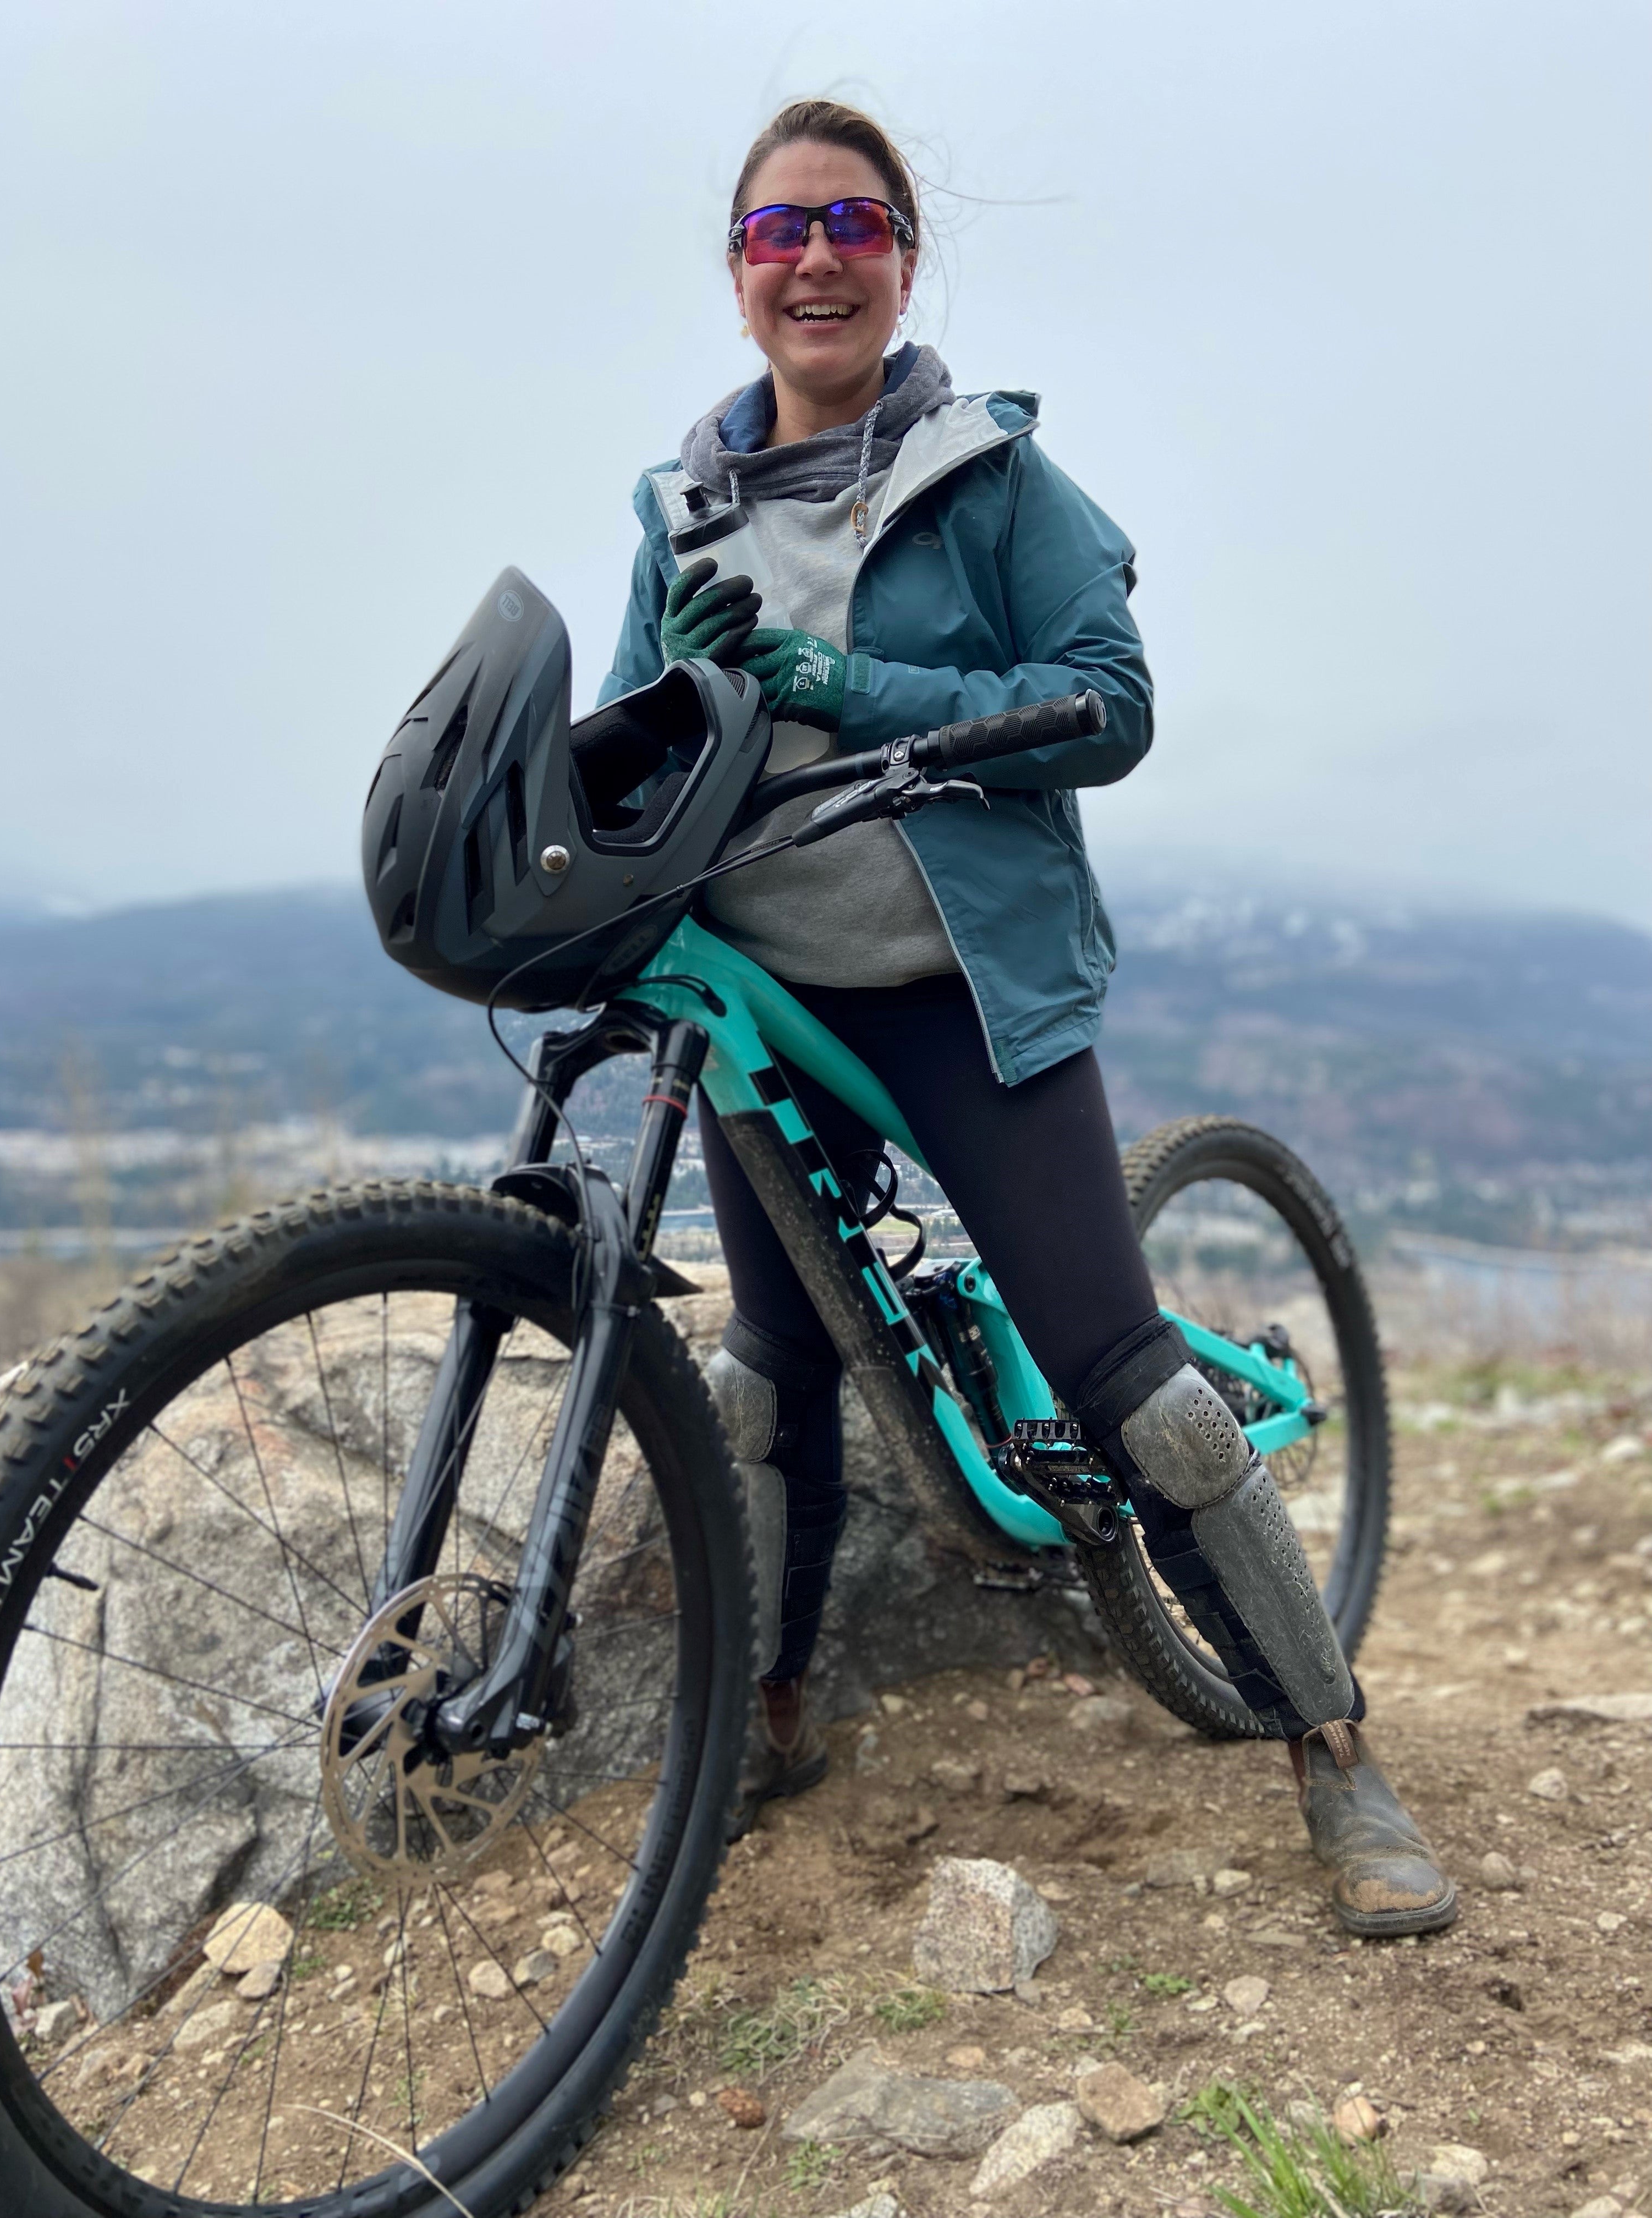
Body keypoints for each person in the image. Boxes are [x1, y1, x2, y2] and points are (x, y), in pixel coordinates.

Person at [599, 98, 1455, 1937]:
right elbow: (626, 745)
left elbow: (1109, 705)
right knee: (773, 1383)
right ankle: (769, 1722)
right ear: (737, 280)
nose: (813, 259)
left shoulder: (994, 478)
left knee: (1123, 1383)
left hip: (960, 993)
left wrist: (845, 684)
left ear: (905, 255)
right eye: (774, 235)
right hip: (765, 998)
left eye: (852, 224)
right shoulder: (675, 509)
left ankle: (1332, 1744)